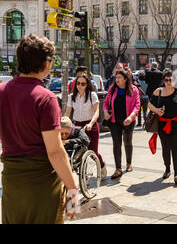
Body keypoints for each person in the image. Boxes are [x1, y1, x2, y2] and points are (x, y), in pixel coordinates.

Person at [0, 34, 78, 223]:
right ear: (46, 63)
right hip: (43, 184)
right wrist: (72, 188)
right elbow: (55, 152)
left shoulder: (2, 91)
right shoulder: (46, 98)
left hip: (12, 182)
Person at [148, 69, 177, 185]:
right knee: (165, 149)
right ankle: (167, 169)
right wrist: (156, 110)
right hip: (163, 125)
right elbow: (149, 104)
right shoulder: (158, 91)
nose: (168, 82)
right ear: (164, 81)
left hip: (176, 125)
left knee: (175, 149)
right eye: (166, 80)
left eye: (171, 80)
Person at [64, 74, 106, 179]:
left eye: (83, 84)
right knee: (78, 151)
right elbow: (68, 112)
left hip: (90, 125)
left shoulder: (92, 95)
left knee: (93, 152)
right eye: (78, 83)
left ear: (87, 84)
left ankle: (102, 166)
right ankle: (83, 174)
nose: (80, 86)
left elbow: (96, 111)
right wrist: (63, 123)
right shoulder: (71, 96)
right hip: (77, 126)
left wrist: (91, 123)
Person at [103, 69, 141, 179]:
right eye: (116, 78)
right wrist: (105, 112)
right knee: (116, 143)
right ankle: (118, 169)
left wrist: (131, 117)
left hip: (128, 120)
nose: (117, 80)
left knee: (128, 141)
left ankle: (129, 163)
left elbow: (137, 105)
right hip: (114, 120)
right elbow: (105, 103)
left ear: (125, 79)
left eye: (120, 77)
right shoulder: (112, 89)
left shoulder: (133, 89)